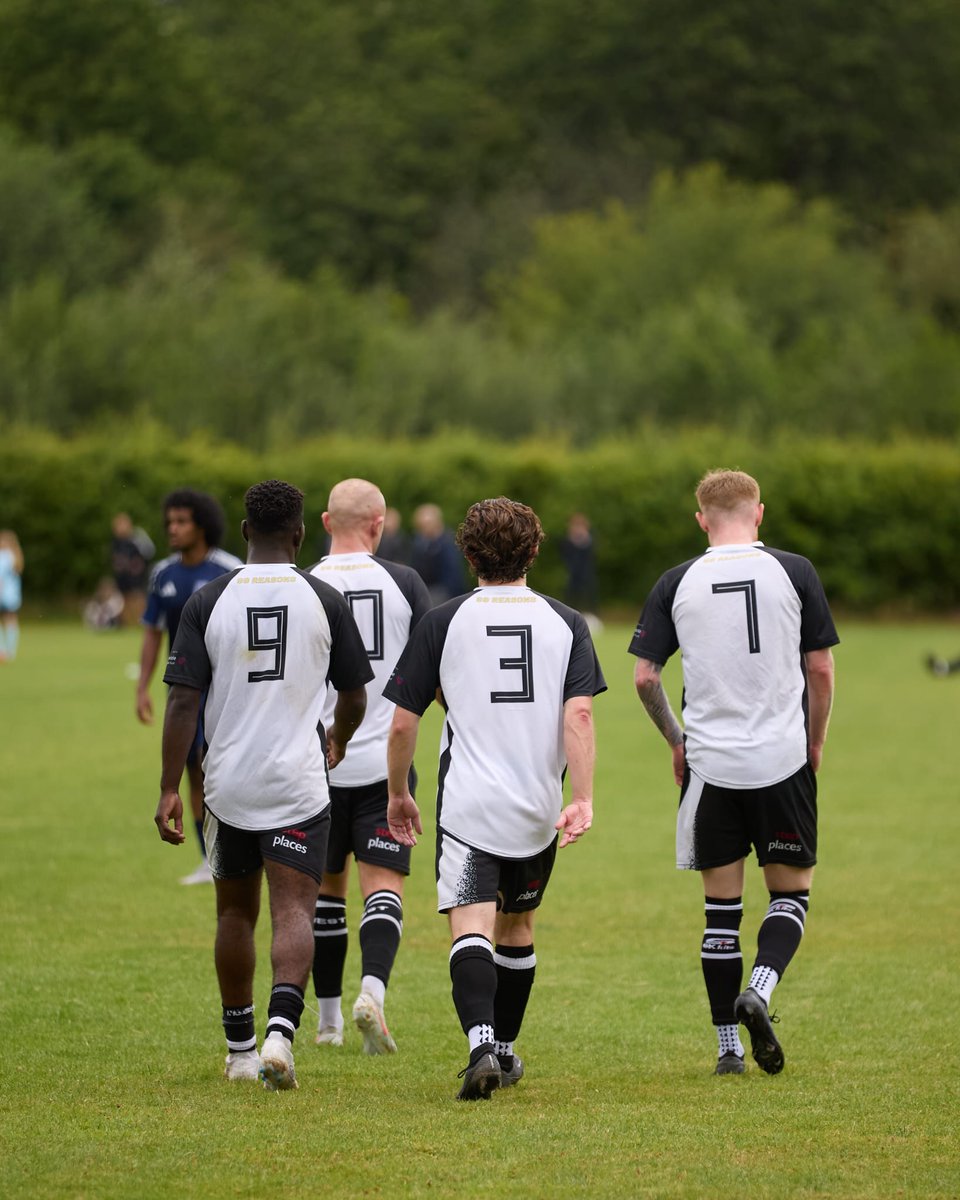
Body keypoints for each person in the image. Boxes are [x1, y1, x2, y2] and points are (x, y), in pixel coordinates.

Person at [384, 496, 606, 1099]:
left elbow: (404, 723)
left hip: (468, 806)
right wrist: (580, 797)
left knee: (471, 929)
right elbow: (579, 714)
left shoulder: (443, 620)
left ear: (467, 552)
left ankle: (481, 1043)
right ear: (534, 551)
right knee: (518, 927)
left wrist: (399, 792)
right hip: (537, 807)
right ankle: (505, 1051)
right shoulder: (566, 622)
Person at [155, 479, 373, 1090]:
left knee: (234, 914)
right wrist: (340, 736)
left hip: (227, 785)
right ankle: (283, 1033)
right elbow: (355, 694)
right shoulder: (324, 599)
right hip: (298, 784)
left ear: (246, 532)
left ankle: (240, 1051)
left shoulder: (208, 601)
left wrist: (172, 787)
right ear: (302, 534)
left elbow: (181, 704)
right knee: (294, 910)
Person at [630, 469, 837, 1077]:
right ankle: (762, 989)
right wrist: (814, 739)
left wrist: (676, 739)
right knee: (790, 896)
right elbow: (820, 670)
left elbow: (645, 677)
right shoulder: (794, 572)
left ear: (701, 520)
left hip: (710, 767)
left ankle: (727, 1049)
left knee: (720, 913)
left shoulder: (677, 581)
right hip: (781, 759)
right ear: (759, 514)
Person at [308, 479, 431, 1054]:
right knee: (384, 889)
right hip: (388, 765)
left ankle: (328, 1022)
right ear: (380, 525)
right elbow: (434, 671)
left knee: (325, 893)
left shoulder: (305, 584)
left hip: (319, 765)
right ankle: (373, 992)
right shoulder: (404, 583)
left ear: (328, 523)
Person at [137, 490, 243, 885]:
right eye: (170, 522)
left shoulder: (229, 569)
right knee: (193, 774)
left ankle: (238, 851)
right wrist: (142, 688)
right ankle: (208, 858)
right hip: (183, 692)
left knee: (222, 770)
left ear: (202, 525)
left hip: (225, 692)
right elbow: (152, 633)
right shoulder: (163, 574)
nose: (173, 529)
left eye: (181, 521)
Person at [410, 503, 467, 606]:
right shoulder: (419, 542)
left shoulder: (447, 543)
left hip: (443, 594)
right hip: (426, 591)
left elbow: (453, 575)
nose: (424, 528)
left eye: (427, 524)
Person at [110, 512, 155, 626]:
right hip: (123, 575)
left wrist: (137, 566)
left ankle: (144, 621)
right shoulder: (116, 541)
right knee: (124, 597)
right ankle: (125, 623)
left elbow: (149, 551)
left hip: (137, 574)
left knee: (138, 597)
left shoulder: (137, 536)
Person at [558, 512, 600, 620]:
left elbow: (592, 553)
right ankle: (568, 616)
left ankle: (594, 616)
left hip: (586, 573)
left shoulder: (589, 540)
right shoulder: (568, 541)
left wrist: (584, 539)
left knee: (590, 596)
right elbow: (565, 554)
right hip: (573, 574)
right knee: (571, 597)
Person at [0, 529, 24, 663]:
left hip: (3, 594)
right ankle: (9, 651)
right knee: (11, 621)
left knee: (8, 621)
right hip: (12, 595)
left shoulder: (4, 556)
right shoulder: (16, 557)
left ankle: (2, 650)